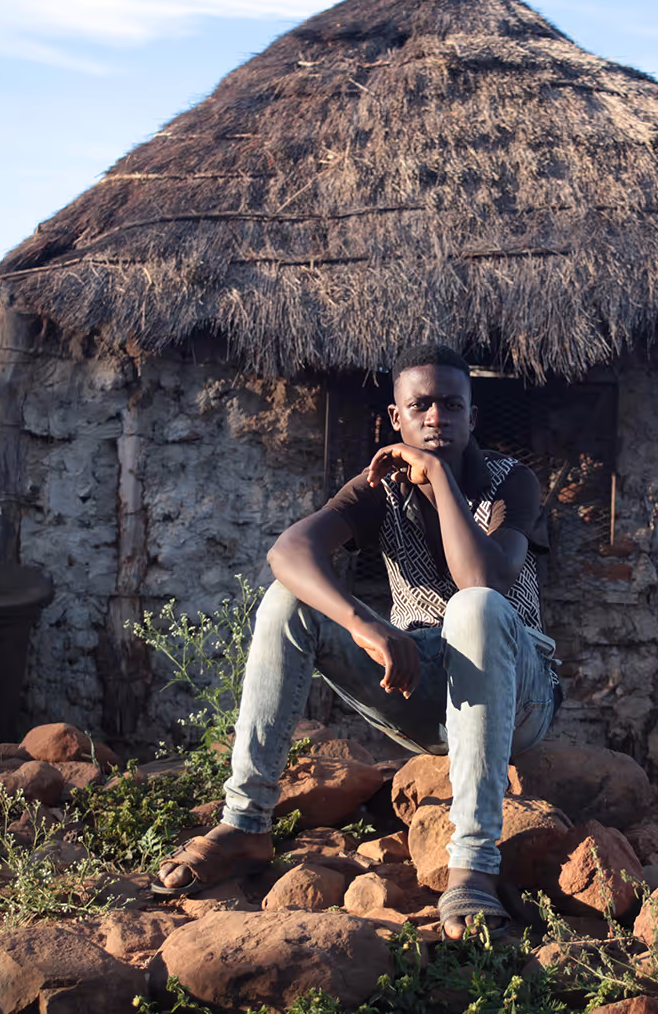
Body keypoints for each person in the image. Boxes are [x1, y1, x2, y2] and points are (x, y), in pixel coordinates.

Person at [153, 343, 560, 938]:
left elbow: (485, 579)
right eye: (420, 405)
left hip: (520, 691)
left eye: (451, 404)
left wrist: (441, 476)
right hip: (422, 684)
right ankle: (244, 823)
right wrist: (363, 624)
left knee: (474, 607)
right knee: (288, 599)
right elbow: (287, 552)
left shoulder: (511, 484)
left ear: (473, 416)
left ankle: (472, 865)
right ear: (396, 418)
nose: (436, 417)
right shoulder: (380, 487)